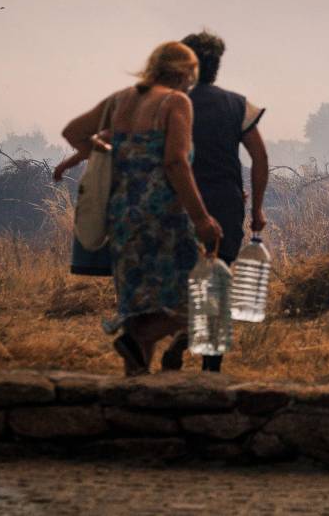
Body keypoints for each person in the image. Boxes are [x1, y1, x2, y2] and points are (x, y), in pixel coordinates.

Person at [60, 42, 222, 376]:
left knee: (137, 302)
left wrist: (106, 150)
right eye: (191, 76)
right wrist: (202, 219)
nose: (191, 84)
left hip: (122, 215)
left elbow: (74, 132)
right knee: (195, 303)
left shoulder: (120, 100)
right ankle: (138, 341)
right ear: (181, 72)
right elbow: (176, 163)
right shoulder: (175, 101)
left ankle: (134, 391)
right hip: (165, 217)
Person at [156, 30, 270, 373]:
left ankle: (181, 339)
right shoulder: (238, 105)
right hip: (224, 207)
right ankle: (210, 367)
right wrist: (257, 208)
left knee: (185, 281)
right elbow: (260, 158)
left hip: (179, 206)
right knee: (217, 280)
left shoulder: (170, 104)